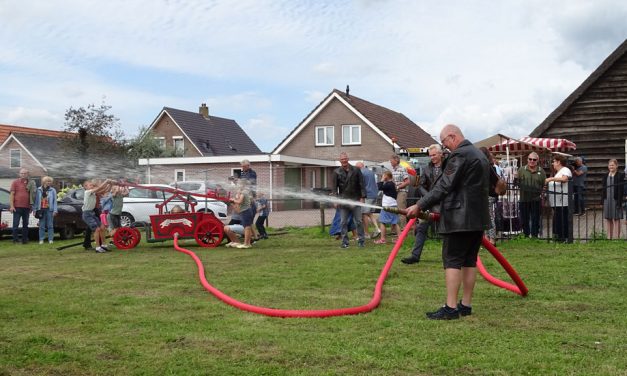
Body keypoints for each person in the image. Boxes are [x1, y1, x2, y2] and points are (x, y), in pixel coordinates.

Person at [405, 124, 490, 320]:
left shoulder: (459, 155)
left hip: (458, 218)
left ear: (452, 137)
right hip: (478, 218)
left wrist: (419, 205)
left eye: (444, 143)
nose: (445, 148)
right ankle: (465, 305)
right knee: (470, 261)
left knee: (452, 260)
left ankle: (451, 307)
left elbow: (444, 185)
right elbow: (496, 186)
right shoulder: (480, 155)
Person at [402, 144, 443, 264]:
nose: (432, 158)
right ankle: (415, 256)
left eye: (434, 155)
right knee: (421, 229)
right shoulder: (426, 169)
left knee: (449, 231)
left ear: (440, 154)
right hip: (428, 204)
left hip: (445, 204)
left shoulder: (448, 168)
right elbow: (420, 185)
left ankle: (453, 256)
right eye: (430, 156)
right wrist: (428, 197)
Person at [332, 152, 366, 248]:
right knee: (343, 222)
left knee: (358, 221)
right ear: (340, 161)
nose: (344, 161)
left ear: (348, 159)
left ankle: (361, 241)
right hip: (343, 200)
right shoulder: (336, 172)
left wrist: (362, 197)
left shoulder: (356, 170)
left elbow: (361, 184)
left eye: (345, 158)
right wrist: (335, 200)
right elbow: (334, 188)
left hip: (355, 199)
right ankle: (345, 242)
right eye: (342, 159)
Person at [516, 152, 546, 238]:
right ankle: (526, 235)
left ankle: (534, 235)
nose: (532, 161)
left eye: (534, 159)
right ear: (527, 159)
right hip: (524, 198)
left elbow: (544, 184)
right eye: (530, 159)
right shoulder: (521, 170)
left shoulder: (541, 171)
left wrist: (542, 193)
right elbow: (517, 183)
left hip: (536, 199)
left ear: (537, 161)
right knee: (524, 218)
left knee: (535, 218)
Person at [545, 155, 572, 243]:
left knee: (561, 220)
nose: (553, 163)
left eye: (554, 161)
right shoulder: (558, 172)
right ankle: (558, 237)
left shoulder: (565, 170)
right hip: (556, 202)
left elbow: (564, 179)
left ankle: (563, 238)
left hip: (562, 202)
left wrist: (551, 179)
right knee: (557, 220)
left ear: (558, 162)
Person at [82, 179, 113, 253]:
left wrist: (110, 184)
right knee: (97, 229)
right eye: (90, 185)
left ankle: (104, 246)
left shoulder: (93, 193)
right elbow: (99, 188)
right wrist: (106, 181)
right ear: (85, 187)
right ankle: (98, 248)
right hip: (87, 214)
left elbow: (103, 190)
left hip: (92, 212)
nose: (92, 186)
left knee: (102, 227)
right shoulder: (87, 192)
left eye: (92, 185)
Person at [9, 168, 37, 244]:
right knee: (15, 224)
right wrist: (12, 206)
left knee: (25, 224)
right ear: (19, 174)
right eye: (22, 173)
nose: (23, 175)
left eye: (25, 173)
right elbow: (12, 194)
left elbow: (32, 195)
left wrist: (31, 206)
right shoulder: (15, 182)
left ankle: (24, 240)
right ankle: (15, 240)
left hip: (27, 207)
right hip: (17, 207)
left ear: (27, 174)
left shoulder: (31, 183)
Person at [480, 147, 500, 245]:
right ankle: (487, 238)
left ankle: (491, 238)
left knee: (489, 216)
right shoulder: (487, 166)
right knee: (485, 216)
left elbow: (493, 182)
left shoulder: (490, 167)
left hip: (489, 194)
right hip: (484, 194)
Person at [356, 162, 380, 238]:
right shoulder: (371, 172)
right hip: (374, 195)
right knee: (370, 213)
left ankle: (366, 234)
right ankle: (377, 229)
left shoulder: (361, 173)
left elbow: (360, 185)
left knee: (364, 214)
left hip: (367, 196)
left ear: (358, 167)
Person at [374, 171, 399, 244]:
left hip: (387, 205)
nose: (382, 177)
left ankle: (382, 239)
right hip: (393, 205)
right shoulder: (391, 184)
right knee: (394, 222)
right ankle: (400, 238)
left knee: (382, 222)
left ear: (386, 176)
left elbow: (379, 187)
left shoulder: (389, 184)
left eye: (383, 175)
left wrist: (382, 180)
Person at [602, 159, 624, 239]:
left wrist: (620, 201)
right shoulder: (605, 175)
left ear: (616, 166)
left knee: (616, 218)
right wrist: (602, 200)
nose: (611, 167)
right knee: (608, 218)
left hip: (616, 199)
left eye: (613, 165)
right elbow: (603, 189)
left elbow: (621, 189)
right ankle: (609, 237)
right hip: (607, 199)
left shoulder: (620, 175)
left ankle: (617, 237)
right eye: (610, 165)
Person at [229, 179, 254, 249]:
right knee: (247, 227)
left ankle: (247, 244)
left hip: (246, 211)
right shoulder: (243, 192)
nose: (238, 185)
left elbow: (239, 202)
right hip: (245, 211)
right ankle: (247, 243)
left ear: (243, 185)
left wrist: (233, 200)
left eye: (239, 184)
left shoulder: (244, 192)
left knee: (247, 228)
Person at [33, 176, 58, 244]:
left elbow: (55, 201)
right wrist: (34, 210)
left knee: (50, 225)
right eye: (48, 181)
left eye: (50, 181)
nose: (49, 183)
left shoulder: (53, 190)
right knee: (41, 225)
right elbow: (36, 201)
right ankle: (41, 239)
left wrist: (55, 210)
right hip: (41, 210)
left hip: (50, 210)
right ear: (44, 182)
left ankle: (50, 239)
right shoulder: (38, 190)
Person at [389, 154, 410, 229]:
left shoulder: (402, 169)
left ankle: (403, 228)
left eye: (391, 160)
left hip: (401, 192)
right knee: (394, 210)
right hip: (394, 193)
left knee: (401, 210)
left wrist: (398, 187)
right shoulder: (392, 170)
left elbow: (407, 182)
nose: (390, 161)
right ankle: (394, 229)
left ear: (396, 160)